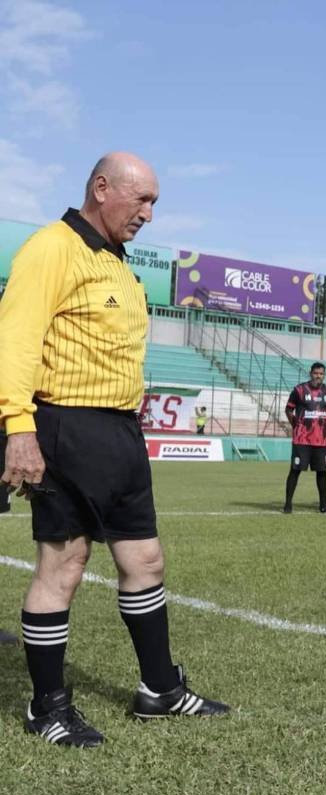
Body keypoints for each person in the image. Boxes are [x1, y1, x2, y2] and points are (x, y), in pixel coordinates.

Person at [0, 152, 227, 748]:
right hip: (65, 426)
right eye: (141, 199)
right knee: (64, 565)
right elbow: (15, 339)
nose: (148, 213)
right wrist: (19, 426)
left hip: (121, 431)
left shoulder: (119, 265)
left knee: (145, 561)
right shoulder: (51, 248)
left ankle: (160, 689)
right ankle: (47, 706)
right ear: (101, 188)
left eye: (154, 202)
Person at [284, 362, 326, 513]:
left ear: (324, 375)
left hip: (321, 440)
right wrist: (295, 424)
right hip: (302, 440)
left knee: (322, 472)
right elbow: (289, 409)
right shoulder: (299, 390)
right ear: (310, 373)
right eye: (315, 373)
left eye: (321, 374)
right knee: (295, 470)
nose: (318, 376)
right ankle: (288, 504)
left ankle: (323, 505)